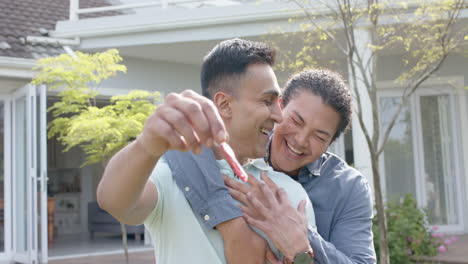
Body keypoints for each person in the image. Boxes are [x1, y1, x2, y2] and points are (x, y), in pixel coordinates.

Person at [97, 38, 316, 263]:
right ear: (224, 105)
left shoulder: (289, 193)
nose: (279, 116)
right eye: (267, 101)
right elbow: (114, 202)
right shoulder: (169, 177)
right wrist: (145, 146)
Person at [167, 69, 377, 263]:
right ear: (279, 107)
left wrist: (304, 240)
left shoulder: (349, 187)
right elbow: (176, 142)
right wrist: (230, 223)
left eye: (319, 136)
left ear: (330, 143)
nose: (301, 140)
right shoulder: (244, 150)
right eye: (296, 121)